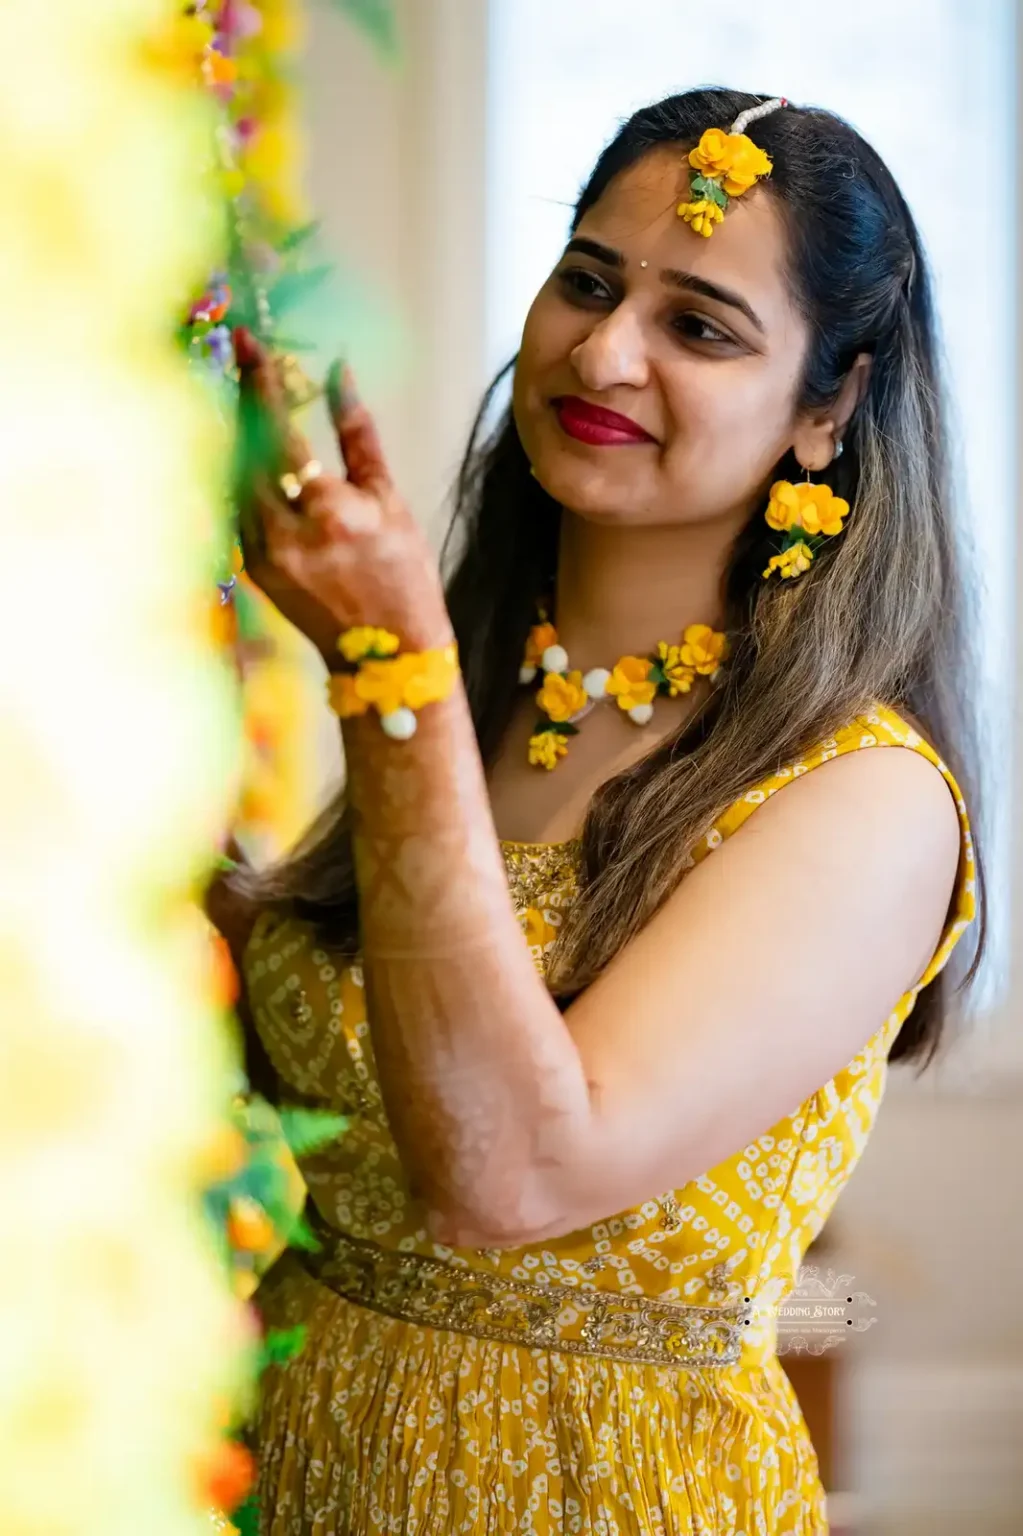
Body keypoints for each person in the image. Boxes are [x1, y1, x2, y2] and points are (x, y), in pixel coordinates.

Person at [208, 87, 984, 1536]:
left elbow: (510, 1171)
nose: (601, 350)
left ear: (829, 406)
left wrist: (390, 677)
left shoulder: (863, 796)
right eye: (585, 280)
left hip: (597, 1493)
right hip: (290, 1458)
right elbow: (344, 1071)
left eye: (697, 326)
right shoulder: (493, 683)